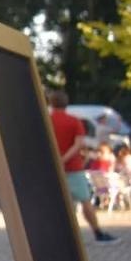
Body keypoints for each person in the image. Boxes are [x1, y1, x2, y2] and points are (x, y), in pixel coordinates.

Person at [48, 91, 116, 242]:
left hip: (51, 168)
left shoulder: (46, 120)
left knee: (53, 203)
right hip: (72, 167)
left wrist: (55, 159)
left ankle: (55, 234)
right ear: (66, 103)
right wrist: (64, 159)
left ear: (51, 102)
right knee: (84, 200)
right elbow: (78, 144)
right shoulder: (74, 121)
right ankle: (98, 232)